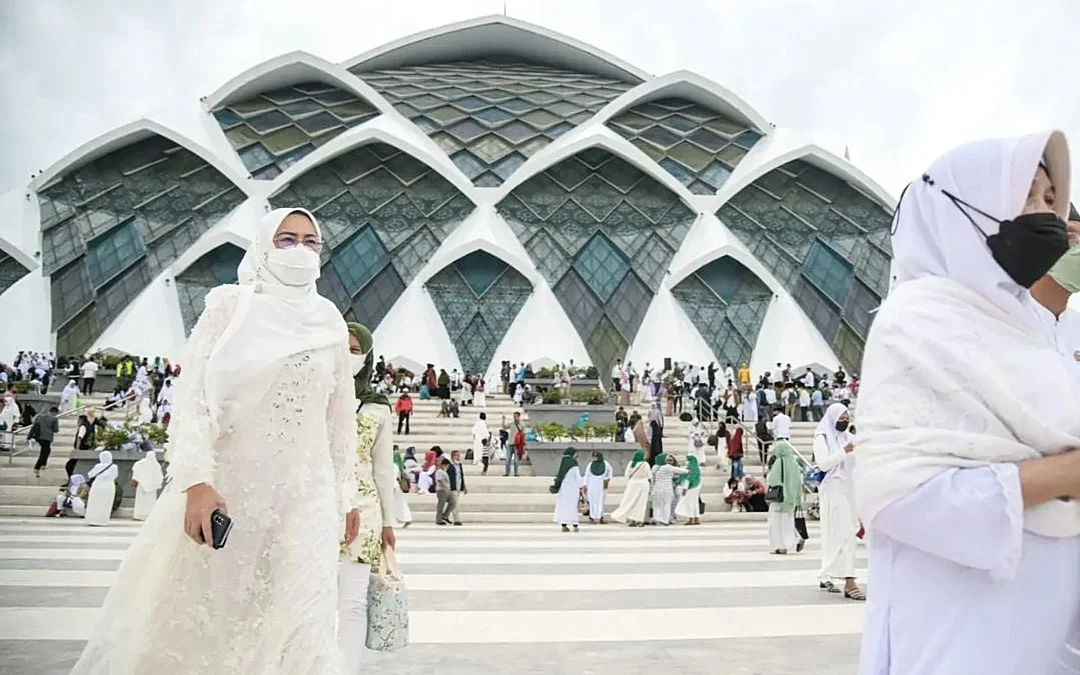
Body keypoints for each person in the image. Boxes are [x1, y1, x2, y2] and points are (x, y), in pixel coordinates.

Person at [69, 208, 361, 675]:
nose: (300, 251)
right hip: (230, 486)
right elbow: (195, 401)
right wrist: (195, 481)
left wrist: (347, 495)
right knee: (210, 622)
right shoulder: (230, 306)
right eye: (287, 240)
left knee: (303, 621)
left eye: (311, 242)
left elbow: (340, 417)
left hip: (306, 497)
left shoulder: (329, 320)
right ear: (264, 246)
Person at [855, 132, 1080, 674]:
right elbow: (897, 495)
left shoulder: (1032, 328)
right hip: (957, 624)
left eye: (1052, 199)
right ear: (967, 209)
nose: (1045, 213)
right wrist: (1065, 475)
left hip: (1047, 623)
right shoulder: (919, 323)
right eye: (1026, 195)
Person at [337, 321, 400, 672]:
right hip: (318, 504)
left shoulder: (377, 408)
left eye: (355, 351)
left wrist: (389, 522)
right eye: (342, 348)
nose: (348, 357)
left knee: (352, 602)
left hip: (365, 511)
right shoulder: (317, 398)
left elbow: (382, 470)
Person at [812, 403, 862, 599]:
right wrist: (844, 451)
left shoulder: (849, 437)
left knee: (840, 533)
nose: (845, 421)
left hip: (849, 489)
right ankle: (849, 581)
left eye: (847, 417)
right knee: (845, 533)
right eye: (841, 418)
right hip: (833, 488)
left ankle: (827, 575)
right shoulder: (822, 438)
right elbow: (823, 464)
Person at [767, 440, 805, 554]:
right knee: (787, 522)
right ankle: (796, 538)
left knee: (776, 523)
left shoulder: (779, 462)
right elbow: (799, 482)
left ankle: (781, 546)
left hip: (780, 498)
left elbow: (772, 480)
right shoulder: (794, 463)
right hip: (791, 499)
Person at [611, 450, 651, 527]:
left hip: (632, 483)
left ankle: (631, 519)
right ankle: (638, 520)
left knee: (630, 501)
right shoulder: (645, 464)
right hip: (643, 483)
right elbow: (649, 475)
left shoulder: (631, 463)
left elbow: (627, 474)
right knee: (641, 503)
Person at [650, 453, 688, 525]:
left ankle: (657, 518)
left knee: (657, 505)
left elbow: (652, 479)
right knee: (666, 504)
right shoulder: (667, 467)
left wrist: (651, 489)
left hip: (657, 488)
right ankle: (665, 520)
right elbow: (678, 470)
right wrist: (688, 471)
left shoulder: (654, 467)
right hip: (667, 488)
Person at [551, 448, 583, 532]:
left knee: (563, 506)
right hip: (573, 490)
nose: (577, 455)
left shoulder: (563, 465)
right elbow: (578, 478)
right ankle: (575, 525)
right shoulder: (574, 464)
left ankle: (564, 525)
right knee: (572, 506)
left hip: (563, 490)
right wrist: (581, 487)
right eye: (576, 453)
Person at [84, 449, 118, 527]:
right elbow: (115, 476)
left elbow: (90, 475)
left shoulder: (98, 466)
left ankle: (93, 519)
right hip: (109, 486)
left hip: (98, 485)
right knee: (106, 503)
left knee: (95, 502)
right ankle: (103, 520)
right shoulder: (114, 466)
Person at [130, 445, 164, 521]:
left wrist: (135, 480)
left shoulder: (140, 463)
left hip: (141, 485)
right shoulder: (156, 465)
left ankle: (139, 515)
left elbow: (136, 472)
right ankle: (149, 515)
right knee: (150, 501)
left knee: (140, 501)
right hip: (152, 487)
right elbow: (160, 476)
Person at [29, 406, 59, 478]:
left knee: (46, 450)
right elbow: (56, 429)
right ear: (54, 412)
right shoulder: (54, 419)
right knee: (44, 452)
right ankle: (37, 467)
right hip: (47, 437)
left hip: (39, 437)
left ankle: (43, 464)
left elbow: (34, 423)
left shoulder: (40, 417)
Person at [583, 451, 613, 524]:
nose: (594, 458)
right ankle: (591, 517)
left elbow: (610, 471)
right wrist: (585, 484)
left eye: (595, 457)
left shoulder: (605, 464)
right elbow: (587, 475)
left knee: (601, 501)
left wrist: (608, 478)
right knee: (592, 501)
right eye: (593, 457)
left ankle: (601, 517)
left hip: (601, 485)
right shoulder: (590, 464)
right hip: (592, 485)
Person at [674, 455, 703, 525]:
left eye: (688, 460)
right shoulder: (697, 468)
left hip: (690, 488)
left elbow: (688, 479)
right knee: (695, 503)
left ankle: (691, 519)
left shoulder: (690, 468)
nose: (686, 461)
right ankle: (697, 518)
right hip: (696, 487)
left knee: (689, 503)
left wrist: (685, 488)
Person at [445, 450, 467, 526]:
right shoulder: (449, 465)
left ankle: (445, 516)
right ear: (453, 456)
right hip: (452, 487)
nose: (458, 457)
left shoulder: (459, 465)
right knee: (455, 503)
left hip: (459, 485)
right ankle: (457, 520)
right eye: (457, 455)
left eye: (459, 455)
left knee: (453, 503)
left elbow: (461, 475)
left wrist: (464, 486)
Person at [392, 449, 413, 527]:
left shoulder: (390, 466)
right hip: (397, 486)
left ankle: (401, 518)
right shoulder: (397, 466)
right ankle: (406, 518)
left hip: (391, 487)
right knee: (401, 503)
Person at [504, 411, 525, 477]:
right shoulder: (511, 424)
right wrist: (503, 420)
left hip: (517, 445)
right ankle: (507, 472)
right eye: (514, 416)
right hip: (510, 443)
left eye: (515, 416)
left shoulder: (522, 425)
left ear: (519, 416)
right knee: (507, 460)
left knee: (516, 460)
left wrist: (523, 445)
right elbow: (504, 427)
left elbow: (523, 435)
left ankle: (516, 473)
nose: (514, 418)